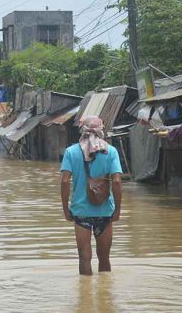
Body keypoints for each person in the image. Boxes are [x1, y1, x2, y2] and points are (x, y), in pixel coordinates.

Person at [60, 116, 123, 276]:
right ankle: (105, 295)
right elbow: (116, 181)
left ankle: (85, 296)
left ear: (82, 130)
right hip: (105, 212)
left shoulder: (71, 152)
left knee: (84, 258)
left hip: (81, 212)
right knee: (104, 258)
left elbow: (65, 181)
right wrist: (117, 210)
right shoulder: (111, 151)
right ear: (101, 130)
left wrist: (66, 209)